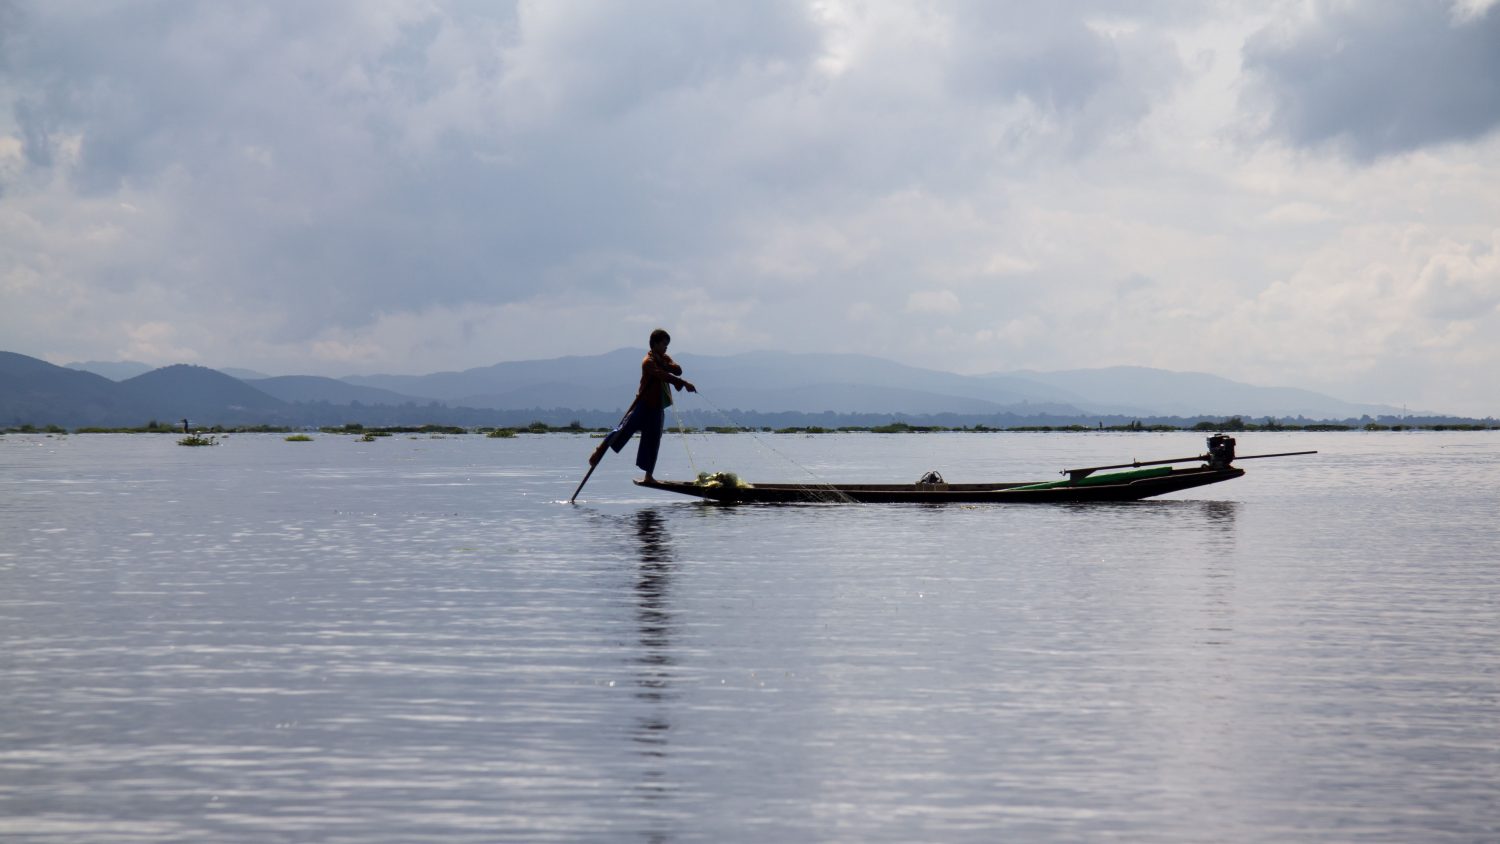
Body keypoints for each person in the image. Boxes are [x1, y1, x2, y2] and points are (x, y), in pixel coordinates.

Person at [589, 328, 696, 483]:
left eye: (667, 344)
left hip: (657, 407)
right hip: (644, 404)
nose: (666, 347)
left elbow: (678, 370)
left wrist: (666, 363)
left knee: (654, 440)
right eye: (664, 344)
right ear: (655, 344)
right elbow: (663, 376)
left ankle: (648, 476)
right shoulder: (648, 362)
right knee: (623, 430)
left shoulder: (664, 358)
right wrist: (683, 383)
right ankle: (599, 452)